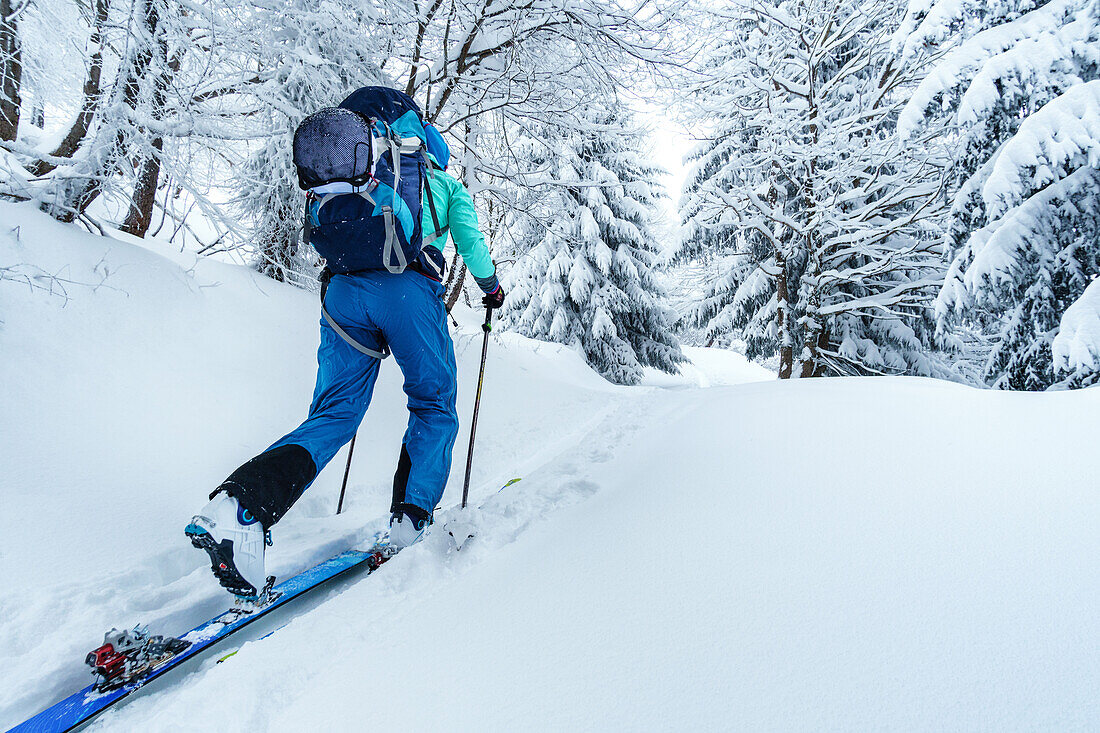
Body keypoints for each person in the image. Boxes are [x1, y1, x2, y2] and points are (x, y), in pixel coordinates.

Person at [185, 96, 505, 598]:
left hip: (341, 293)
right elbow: (469, 241)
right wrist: (490, 288)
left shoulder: (356, 173)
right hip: (407, 291)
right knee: (433, 403)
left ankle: (239, 507)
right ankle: (411, 518)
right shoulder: (440, 182)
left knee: (332, 414)